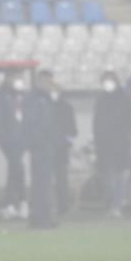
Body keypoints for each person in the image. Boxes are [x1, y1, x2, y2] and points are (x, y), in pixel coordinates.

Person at [93, 71, 131, 217]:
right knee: (107, 176)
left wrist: (126, 137)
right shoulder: (100, 100)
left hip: (121, 144)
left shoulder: (124, 99)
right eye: (105, 81)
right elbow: (96, 122)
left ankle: (117, 205)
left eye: (110, 80)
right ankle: (113, 202)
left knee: (120, 176)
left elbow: (130, 120)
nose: (108, 83)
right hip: (104, 145)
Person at [0, 72, 28, 219]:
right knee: (17, 167)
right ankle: (19, 202)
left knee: (16, 168)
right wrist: (3, 138)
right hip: (9, 139)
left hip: (21, 138)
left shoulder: (23, 96)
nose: (18, 81)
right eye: (15, 78)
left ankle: (12, 204)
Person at [24, 70, 59, 229]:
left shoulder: (46, 98)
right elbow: (32, 123)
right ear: (39, 80)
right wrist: (39, 142)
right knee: (41, 183)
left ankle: (43, 216)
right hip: (40, 146)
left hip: (46, 145)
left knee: (44, 183)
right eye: (46, 81)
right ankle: (40, 218)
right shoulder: (34, 99)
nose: (49, 84)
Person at [50, 84, 78, 215]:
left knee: (61, 178)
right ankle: (49, 205)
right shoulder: (44, 106)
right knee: (47, 178)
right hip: (47, 147)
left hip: (61, 149)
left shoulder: (66, 108)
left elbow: (72, 129)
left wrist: (67, 141)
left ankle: (62, 206)